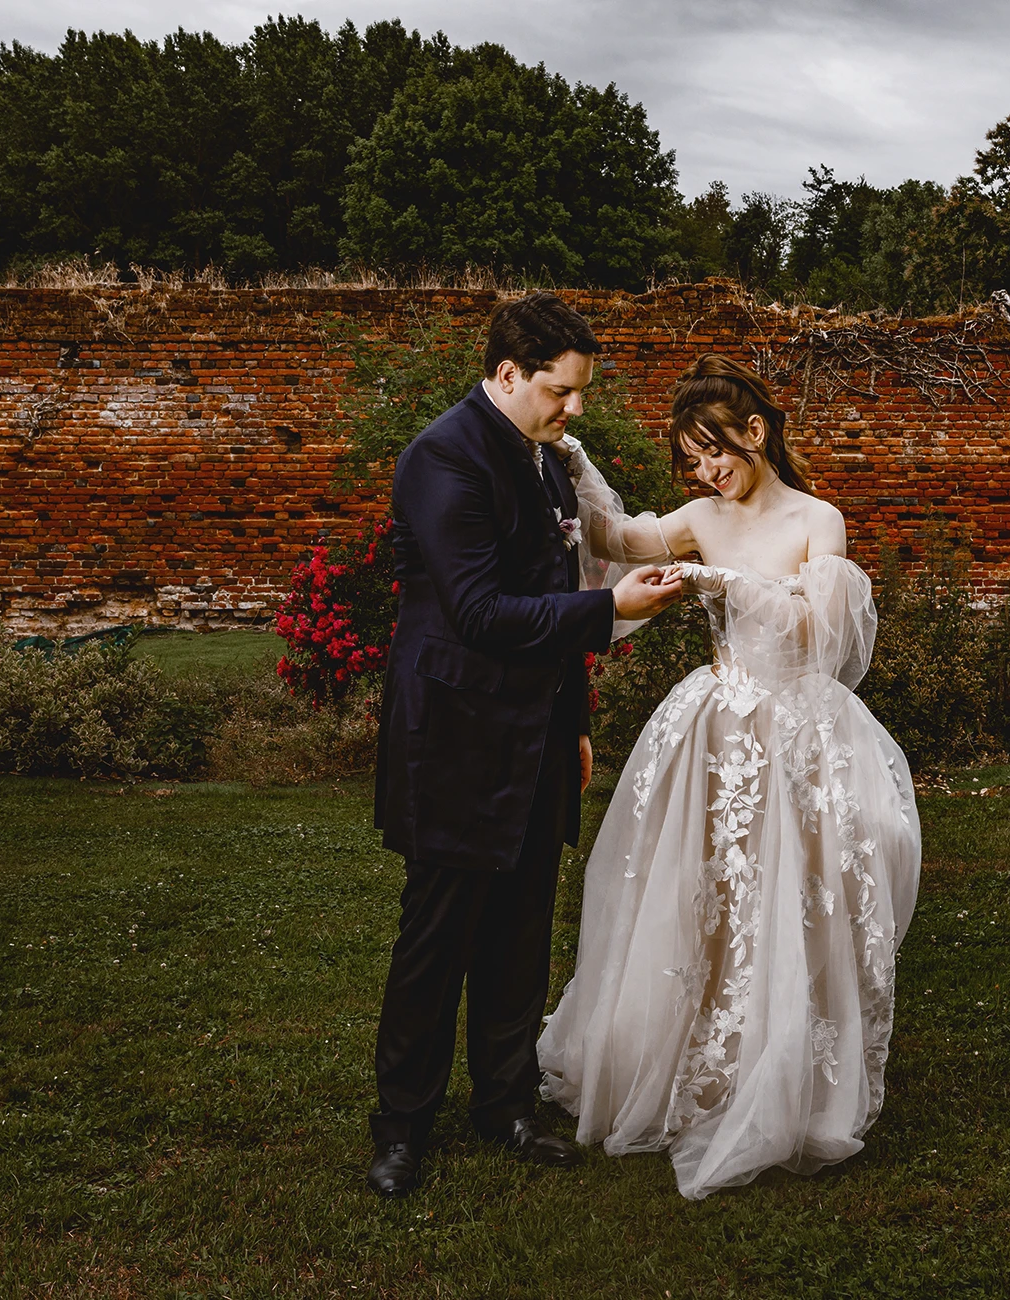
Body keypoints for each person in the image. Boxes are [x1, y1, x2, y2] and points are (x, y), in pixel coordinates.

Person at [537, 355, 922, 1199]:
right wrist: (574, 460)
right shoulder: (701, 515)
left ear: (756, 434)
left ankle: (782, 1061)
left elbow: (820, 630)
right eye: (691, 460)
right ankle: (692, 1057)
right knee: (702, 887)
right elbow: (618, 539)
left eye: (716, 452)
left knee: (793, 894)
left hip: (801, 733)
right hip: (716, 728)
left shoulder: (819, 519)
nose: (707, 471)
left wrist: (725, 580)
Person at [368, 292, 682, 1198]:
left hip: (538, 733)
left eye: (579, 391)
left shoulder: (543, 463)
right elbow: (477, 612)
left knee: (520, 933)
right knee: (437, 937)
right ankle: (401, 1127)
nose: (574, 408)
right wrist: (610, 609)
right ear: (508, 374)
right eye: (561, 390)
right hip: (457, 736)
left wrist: (576, 724)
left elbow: (547, 597)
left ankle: (504, 1104)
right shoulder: (441, 459)